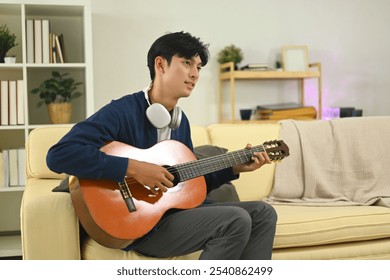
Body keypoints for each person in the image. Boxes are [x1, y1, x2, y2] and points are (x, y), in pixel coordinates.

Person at [46, 31, 277, 260]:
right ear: (160, 64)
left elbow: (189, 184)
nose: (195, 74)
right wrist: (134, 168)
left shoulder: (180, 122)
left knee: (263, 213)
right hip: (138, 224)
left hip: (174, 215)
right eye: (187, 63)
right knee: (236, 220)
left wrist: (234, 168)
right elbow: (59, 155)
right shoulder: (121, 112)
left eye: (198, 67)